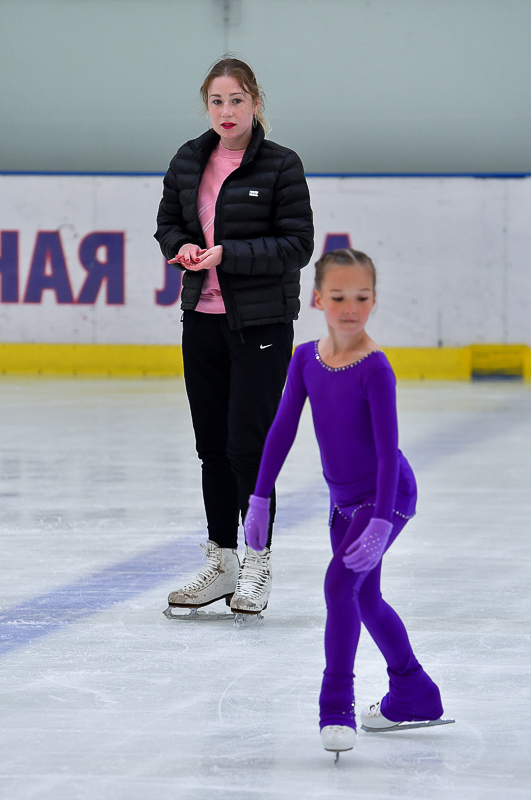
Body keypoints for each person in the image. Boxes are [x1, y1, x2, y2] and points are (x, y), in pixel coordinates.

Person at [244, 249, 447, 754]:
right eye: (338, 297)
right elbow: (282, 428)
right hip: (344, 503)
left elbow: (385, 452)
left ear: (374, 301)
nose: (350, 307)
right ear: (318, 299)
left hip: (387, 495)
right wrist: (260, 496)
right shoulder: (305, 360)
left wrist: (380, 522)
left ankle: (335, 706)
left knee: (339, 587)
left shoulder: (375, 369)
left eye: (362, 297)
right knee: (365, 597)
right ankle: (414, 693)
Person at [154, 57, 314, 615]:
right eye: (218, 101)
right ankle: (221, 562)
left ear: (256, 104)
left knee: (251, 447)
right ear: (208, 106)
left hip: (262, 325)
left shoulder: (281, 165)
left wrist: (230, 256)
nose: (228, 111)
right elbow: (167, 223)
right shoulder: (188, 159)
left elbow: (297, 245)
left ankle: (256, 561)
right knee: (212, 448)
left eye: (238, 100)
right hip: (202, 318)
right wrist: (182, 249)